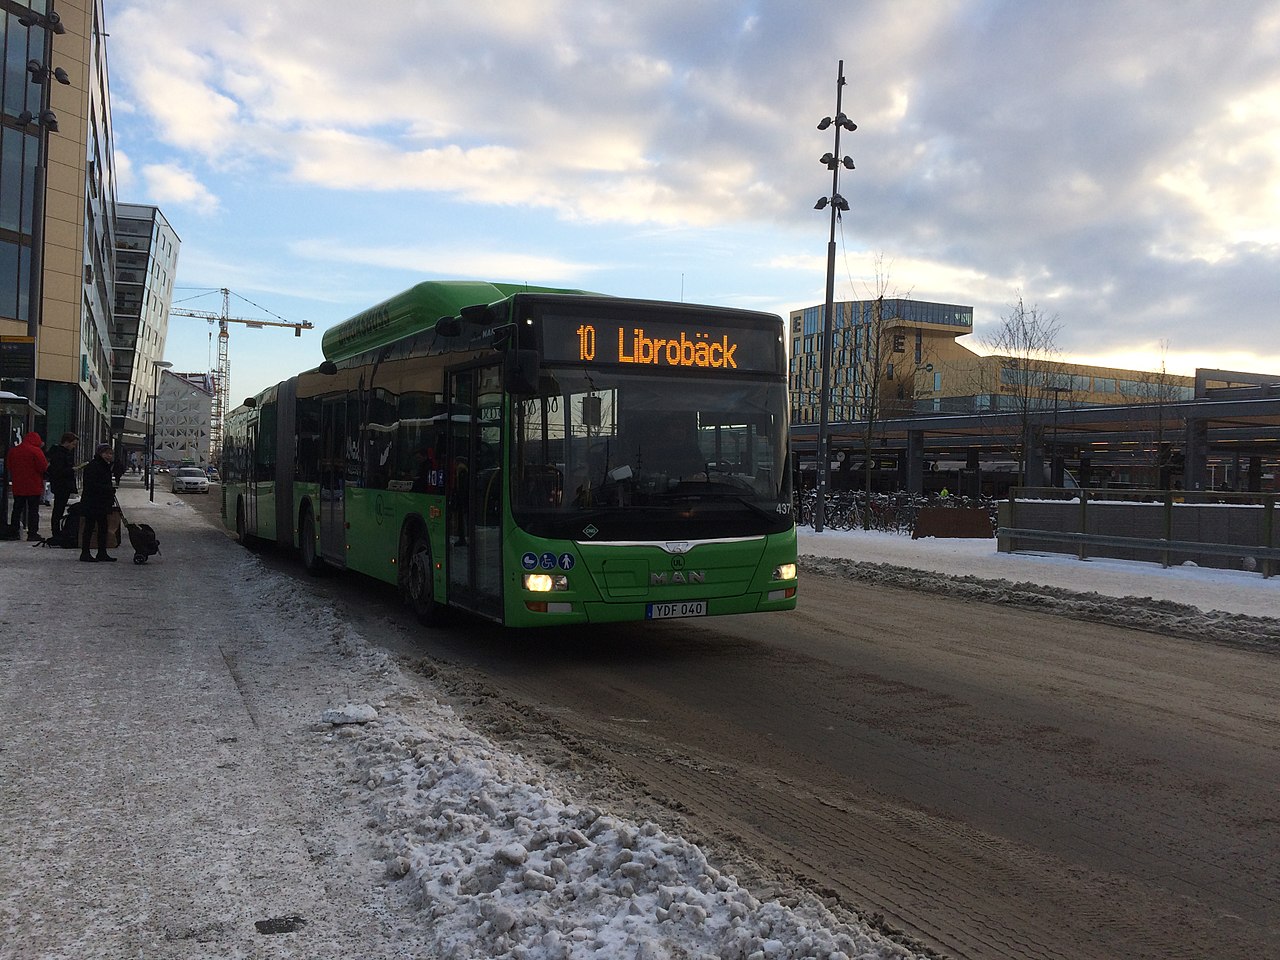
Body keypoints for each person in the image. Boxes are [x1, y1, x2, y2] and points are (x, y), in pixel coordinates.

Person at [6, 430, 49, 541]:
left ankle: (14, 532)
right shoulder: (36, 451)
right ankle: (32, 533)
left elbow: (9, 466)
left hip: (18, 485)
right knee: (33, 511)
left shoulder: (14, 451)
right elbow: (43, 467)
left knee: (17, 509)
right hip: (33, 486)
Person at [79, 443, 117, 562]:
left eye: (110, 454)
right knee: (90, 527)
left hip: (100, 502)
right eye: (106, 453)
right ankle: (85, 553)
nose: (108, 456)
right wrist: (108, 489)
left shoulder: (104, 466)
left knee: (103, 527)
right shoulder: (94, 466)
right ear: (100, 453)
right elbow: (91, 484)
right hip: (93, 502)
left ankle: (102, 552)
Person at [46, 432, 78, 538]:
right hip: (61, 485)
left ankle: (56, 531)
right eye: (73, 444)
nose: (73, 447)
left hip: (62, 484)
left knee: (59, 509)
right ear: (67, 442)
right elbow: (58, 471)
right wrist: (71, 470)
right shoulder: (60, 454)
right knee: (58, 509)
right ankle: (56, 532)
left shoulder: (61, 453)